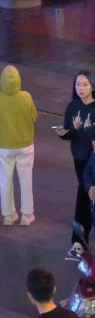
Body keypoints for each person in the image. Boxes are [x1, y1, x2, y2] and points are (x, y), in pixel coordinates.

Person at [54, 71, 95, 243]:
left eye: (85, 84)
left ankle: (80, 238)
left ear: (93, 87)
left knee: (87, 193)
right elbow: (70, 132)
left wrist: (89, 130)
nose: (80, 88)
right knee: (86, 192)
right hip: (79, 157)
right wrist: (65, 133)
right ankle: (83, 233)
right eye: (78, 84)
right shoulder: (72, 106)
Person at [0, 65, 37, 226]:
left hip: (3, 146)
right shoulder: (26, 97)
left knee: (4, 180)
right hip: (25, 146)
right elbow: (34, 116)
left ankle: (8, 215)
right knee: (26, 180)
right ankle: (27, 216)